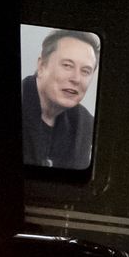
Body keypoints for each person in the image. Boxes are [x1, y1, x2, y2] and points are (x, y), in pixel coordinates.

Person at [22, 29, 99, 168]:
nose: (76, 79)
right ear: (41, 66)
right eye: (67, 66)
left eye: (85, 71)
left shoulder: (86, 125)